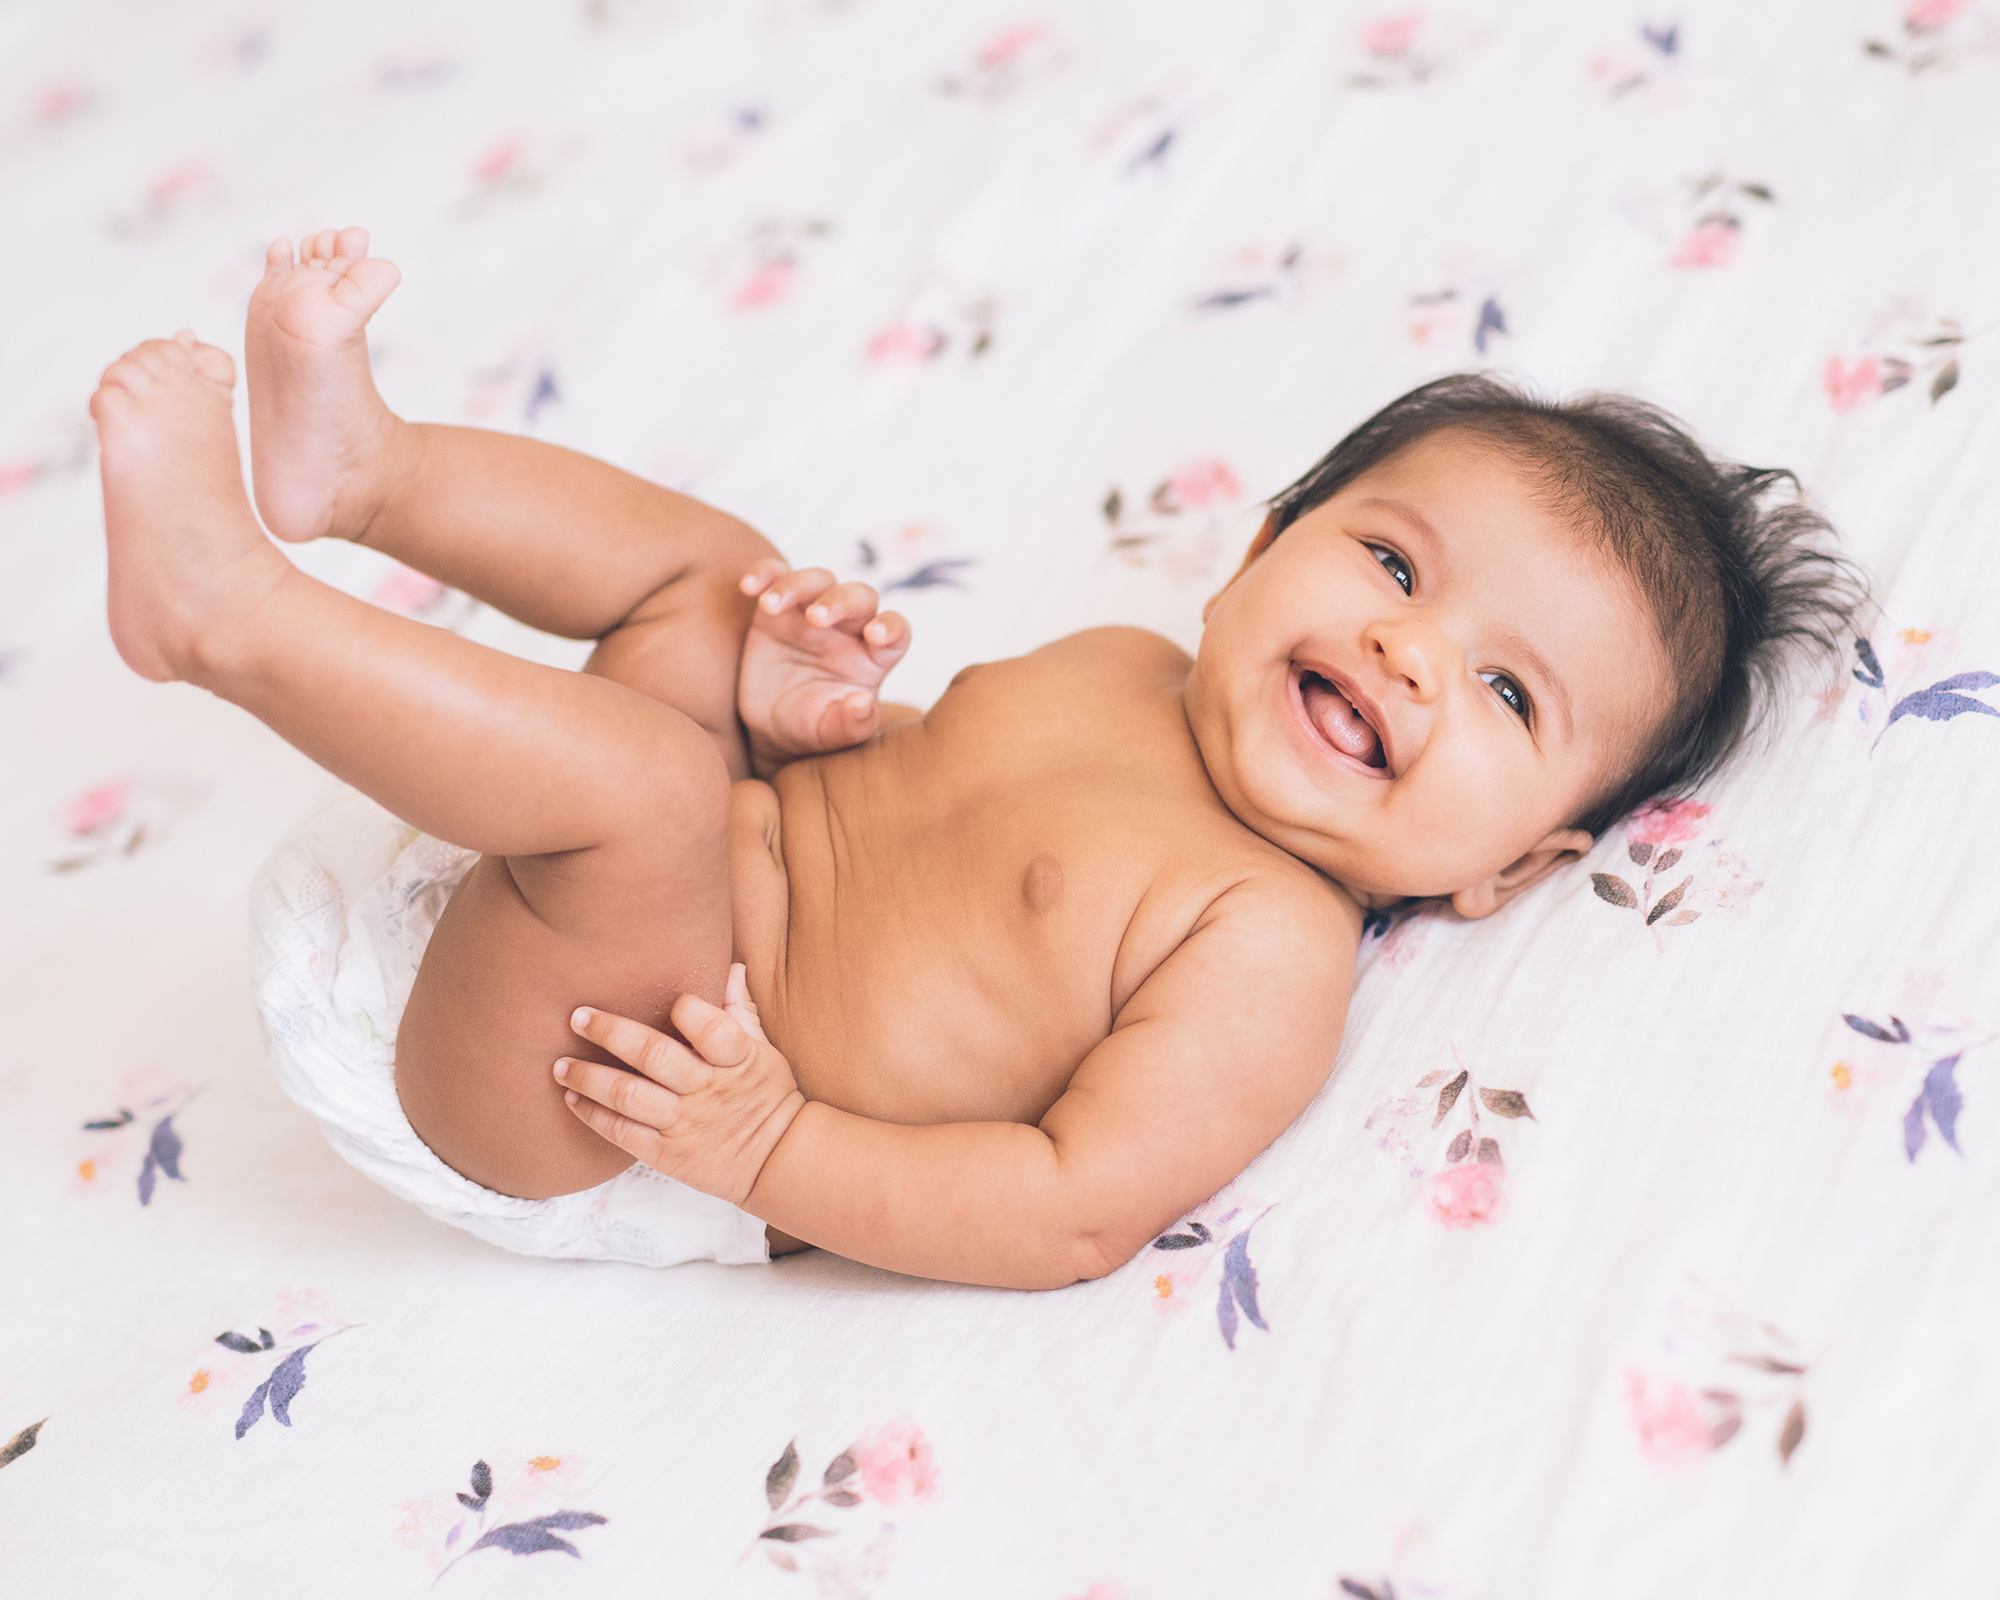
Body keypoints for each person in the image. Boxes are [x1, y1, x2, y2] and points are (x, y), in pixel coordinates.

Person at [91, 228, 1859, 1288]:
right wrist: (790, 702)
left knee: (637, 794)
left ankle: (223, 616)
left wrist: (767, 1148)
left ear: (1513, 864)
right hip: (603, 910)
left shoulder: (1265, 945)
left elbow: (1069, 1206)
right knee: (714, 581)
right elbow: (873, 809)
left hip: (601, 1105)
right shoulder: (1119, 668)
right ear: (1257, 554)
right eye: (1392, 563)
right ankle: (361, 474)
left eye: (1507, 696)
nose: (1409, 646)